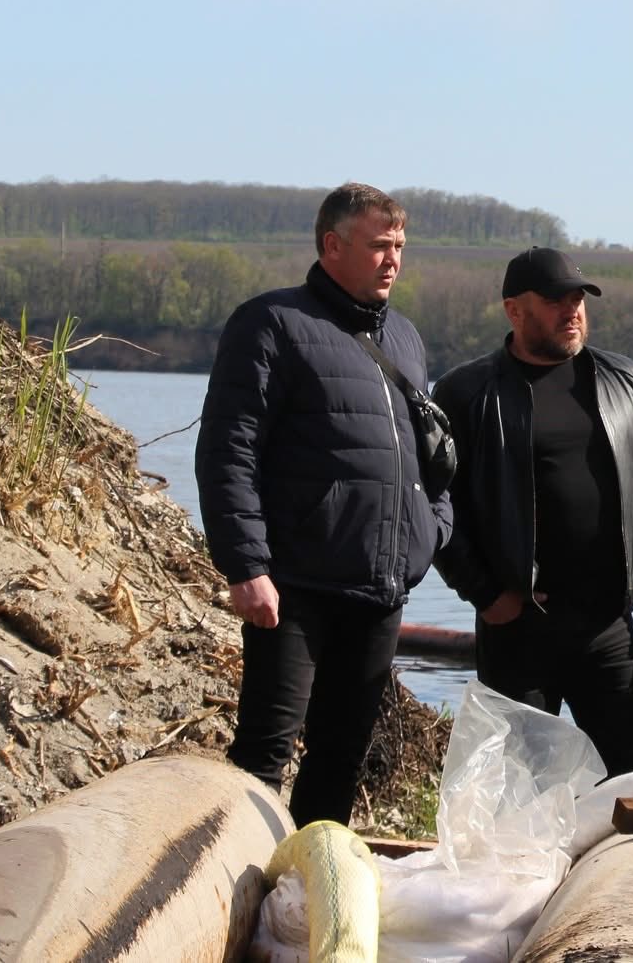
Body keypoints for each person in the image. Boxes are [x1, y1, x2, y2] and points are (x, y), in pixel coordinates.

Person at [194, 182, 452, 826]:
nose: (392, 260)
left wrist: (432, 531)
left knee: (341, 756)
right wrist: (246, 566)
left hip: (379, 588)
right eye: (378, 246)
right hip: (294, 586)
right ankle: (235, 898)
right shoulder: (272, 324)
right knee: (262, 756)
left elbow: (428, 456)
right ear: (332, 245)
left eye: (399, 246)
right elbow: (229, 451)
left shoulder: (407, 340)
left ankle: (308, 899)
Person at [432, 246, 633, 774]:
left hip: (609, 625)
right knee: (518, 795)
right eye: (556, 300)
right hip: (517, 630)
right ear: (515, 310)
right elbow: (437, 504)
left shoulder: (626, 383)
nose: (573, 310)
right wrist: (484, 592)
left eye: (579, 298)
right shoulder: (466, 392)